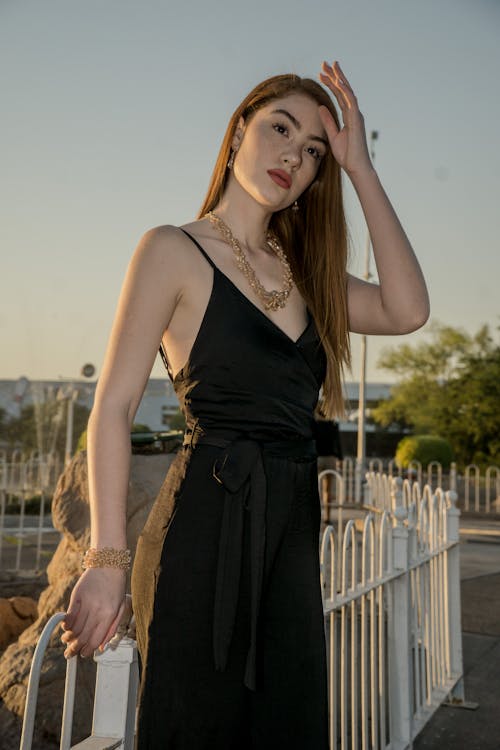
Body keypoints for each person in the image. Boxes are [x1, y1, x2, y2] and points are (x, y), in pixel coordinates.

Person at [59, 60, 429, 748]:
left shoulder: (310, 275)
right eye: (279, 128)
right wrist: (106, 562)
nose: (294, 154)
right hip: (202, 528)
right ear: (237, 135)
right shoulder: (172, 249)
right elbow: (112, 407)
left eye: (314, 150)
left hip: (290, 536)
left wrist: (362, 170)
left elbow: (407, 310)